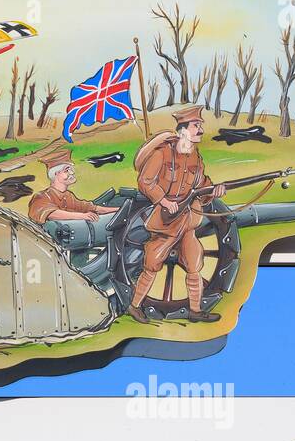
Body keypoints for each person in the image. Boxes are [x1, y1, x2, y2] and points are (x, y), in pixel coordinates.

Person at [127, 105, 226, 324]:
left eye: (200, 125)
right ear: (182, 130)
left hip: (187, 221)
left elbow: (202, 185)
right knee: (152, 263)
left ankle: (195, 310)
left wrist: (214, 190)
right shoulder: (161, 154)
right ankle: (135, 306)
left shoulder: (195, 158)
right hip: (165, 222)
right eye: (195, 126)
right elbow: (145, 182)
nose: (200, 130)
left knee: (194, 263)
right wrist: (163, 200)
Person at [28, 150, 118, 225]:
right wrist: (83, 216)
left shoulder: (68, 196)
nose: (72, 173)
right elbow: (51, 214)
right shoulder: (42, 197)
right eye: (67, 170)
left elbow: (89, 207)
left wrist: (118, 210)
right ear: (56, 174)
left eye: (71, 169)